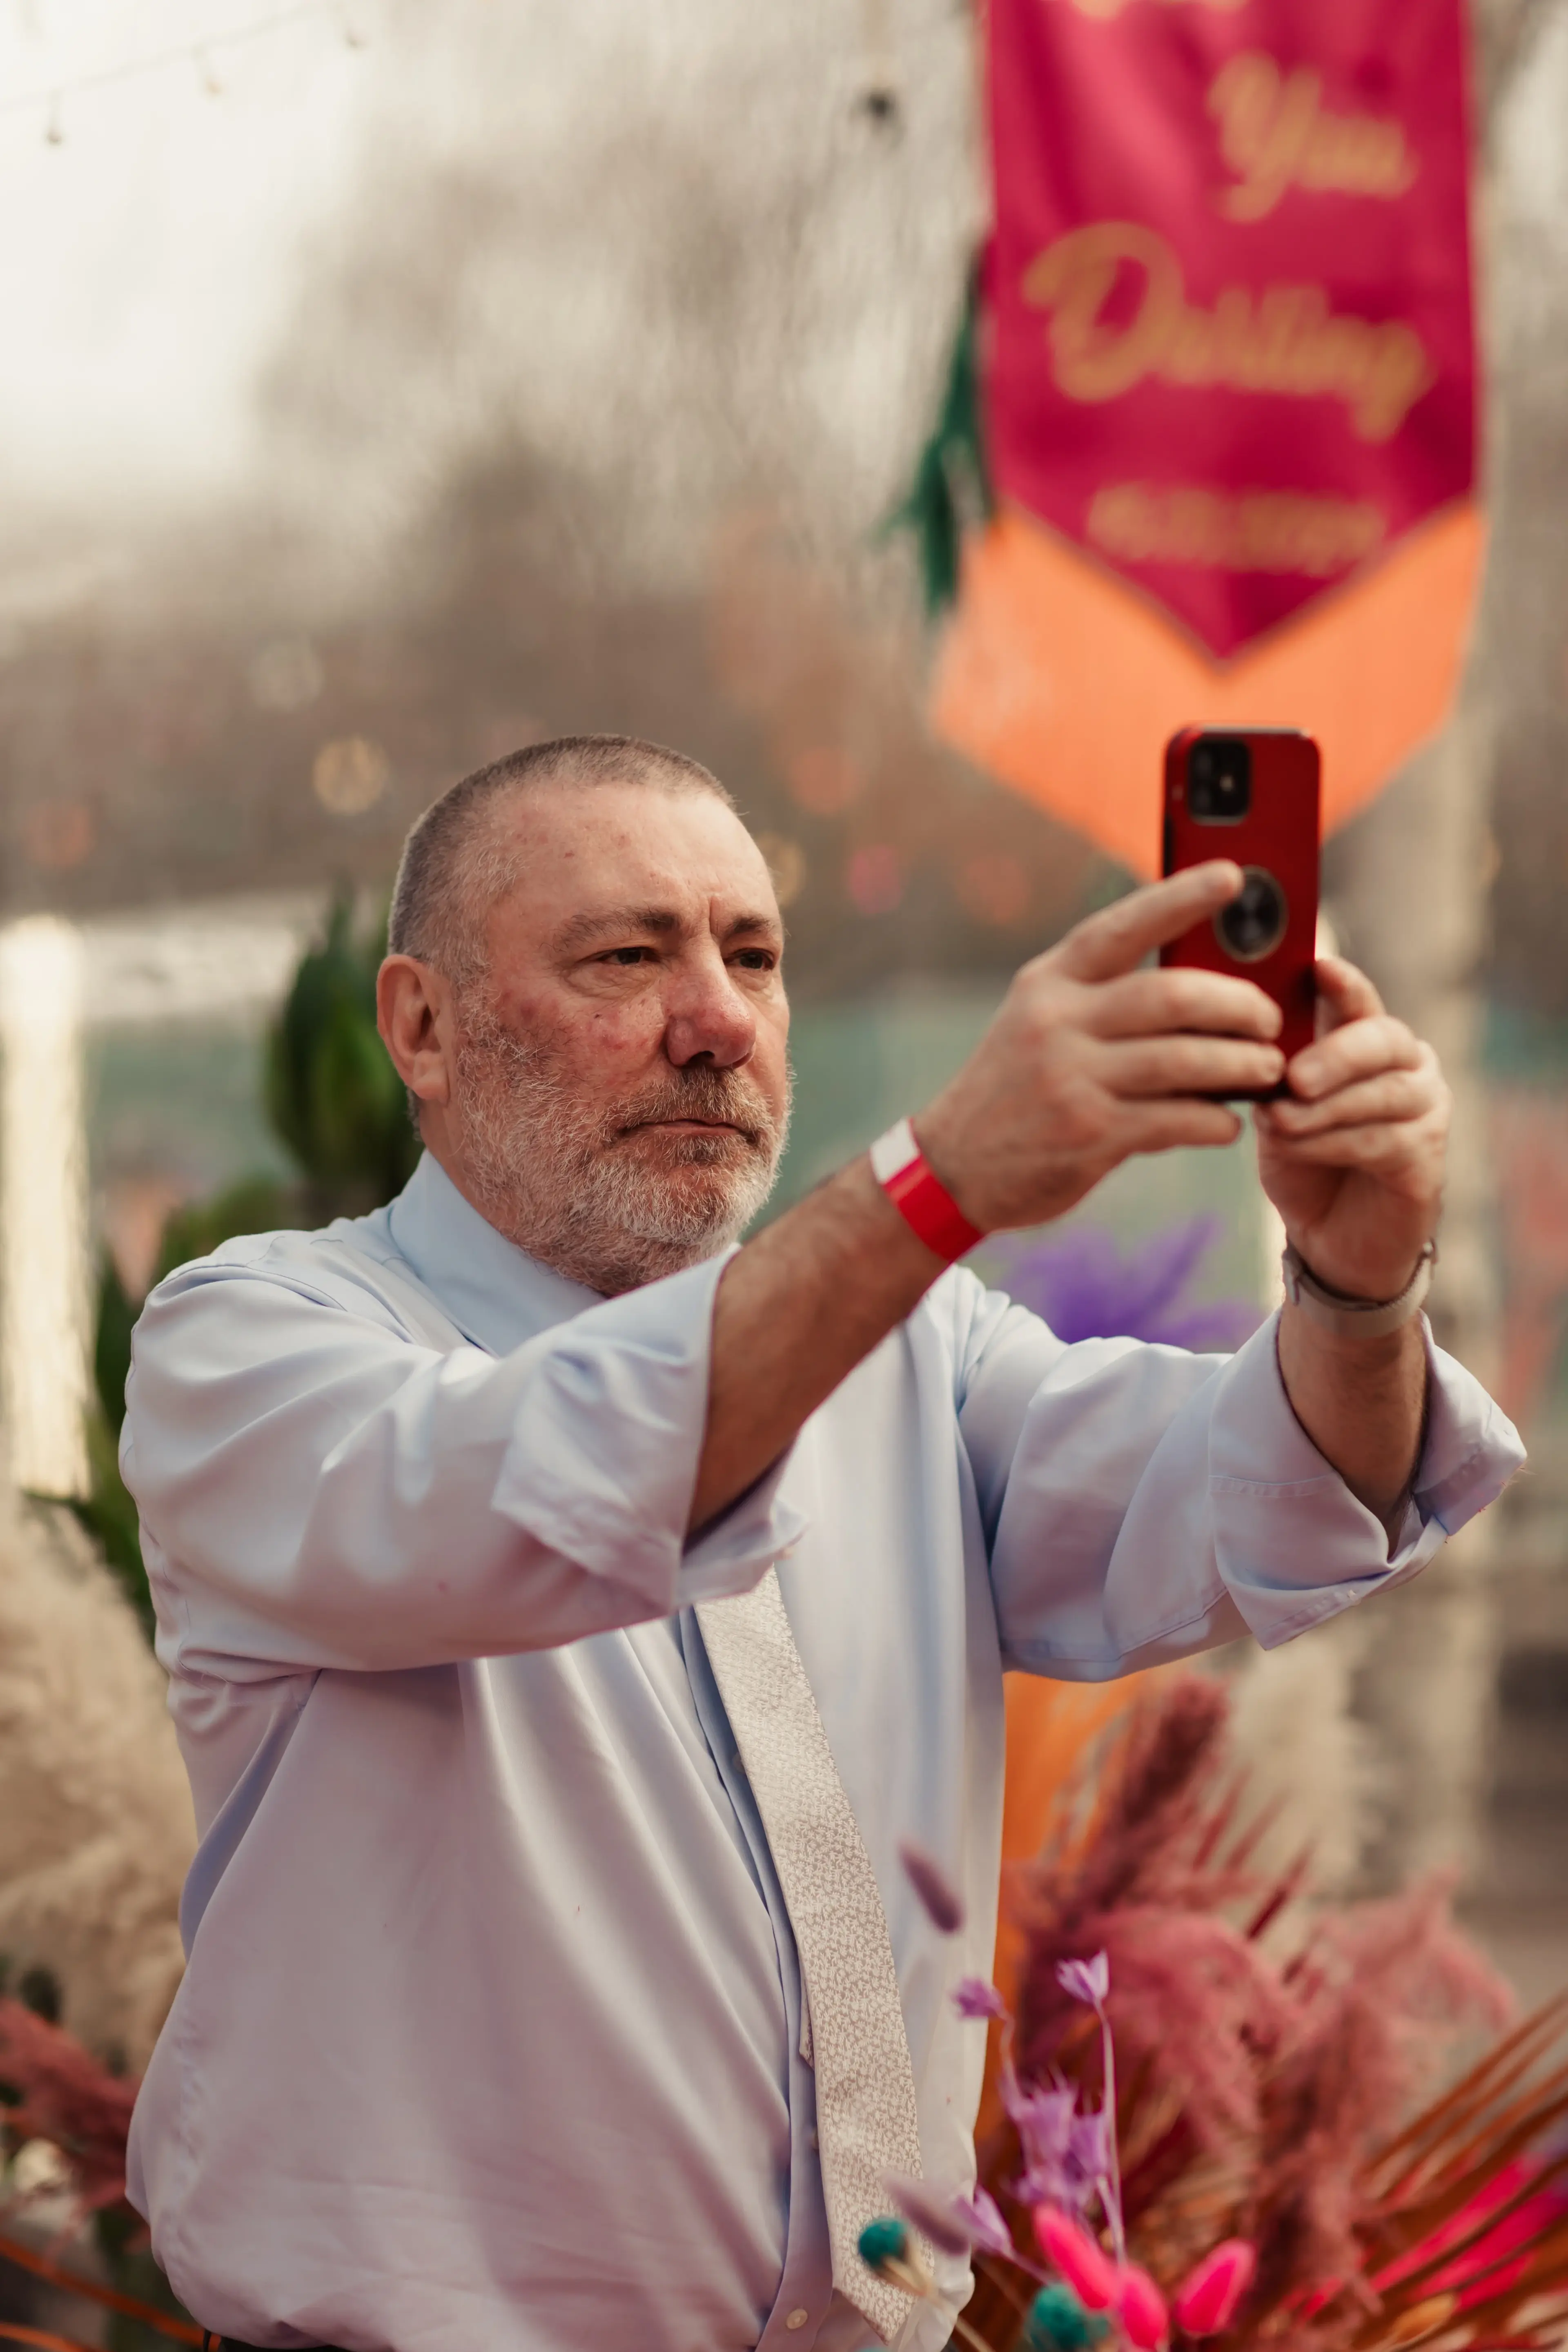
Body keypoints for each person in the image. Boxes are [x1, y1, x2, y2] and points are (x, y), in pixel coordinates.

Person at [122, 734, 1521, 2352]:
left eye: (756, 954)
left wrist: (1359, 1282)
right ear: (420, 1026)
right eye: (629, 954)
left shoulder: (911, 1350)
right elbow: (525, 1487)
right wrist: (936, 1185)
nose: (716, 1018)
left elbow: (1267, 1493)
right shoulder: (255, 1345)